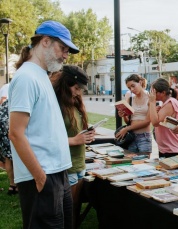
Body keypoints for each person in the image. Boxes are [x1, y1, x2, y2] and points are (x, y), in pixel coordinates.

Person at [8, 20, 79, 228]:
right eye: (63, 48)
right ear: (45, 42)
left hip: (58, 173)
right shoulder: (26, 78)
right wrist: (40, 177)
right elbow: (15, 133)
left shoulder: (41, 76)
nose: (65, 55)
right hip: (42, 176)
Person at [50, 65, 95, 228]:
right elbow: (48, 139)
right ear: (66, 84)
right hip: (64, 165)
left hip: (79, 162)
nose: (78, 92)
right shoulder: (54, 104)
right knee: (64, 211)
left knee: (74, 208)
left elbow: (74, 128)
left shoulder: (74, 101)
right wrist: (74, 140)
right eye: (76, 88)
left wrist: (87, 133)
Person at [115, 74, 152, 154]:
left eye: (133, 86)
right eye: (129, 88)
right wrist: (124, 115)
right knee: (131, 163)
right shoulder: (130, 99)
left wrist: (127, 129)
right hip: (131, 137)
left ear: (140, 82)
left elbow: (147, 121)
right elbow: (128, 121)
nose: (132, 89)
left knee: (144, 163)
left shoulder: (150, 98)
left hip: (144, 137)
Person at [149, 78, 178, 158]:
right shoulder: (164, 104)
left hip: (172, 149)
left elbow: (155, 123)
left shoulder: (171, 102)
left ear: (163, 93)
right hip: (165, 149)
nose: (152, 95)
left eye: (154, 92)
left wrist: (152, 102)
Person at [0, 100, 17, 195]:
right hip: (9, 126)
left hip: (2, 126)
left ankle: (12, 185)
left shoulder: (7, 100)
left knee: (8, 157)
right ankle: (18, 185)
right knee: (16, 156)